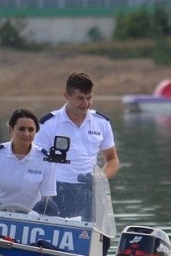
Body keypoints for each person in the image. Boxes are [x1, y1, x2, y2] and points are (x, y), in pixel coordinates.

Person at [35, 71, 119, 220]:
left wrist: (100, 178)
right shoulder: (48, 124)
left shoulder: (101, 123)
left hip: (89, 191)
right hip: (55, 192)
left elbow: (112, 160)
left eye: (89, 98)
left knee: (92, 240)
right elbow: (35, 161)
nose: (85, 104)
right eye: (80, 98)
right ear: (66, 95)